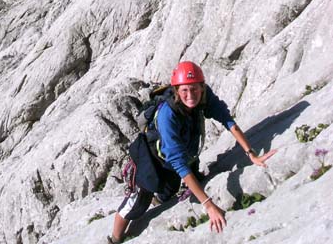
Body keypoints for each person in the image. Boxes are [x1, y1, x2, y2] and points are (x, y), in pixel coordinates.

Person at [108, 61, 277, 243]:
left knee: (168, 192)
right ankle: (115, 239)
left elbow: (227, 120)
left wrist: (251, 154)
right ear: (176, 91)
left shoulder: (204, 96)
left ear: (202, 87)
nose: (191, 96)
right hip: (151, 159)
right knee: (137, 203)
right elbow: (177, 162)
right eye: (185, 91)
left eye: (195, 89)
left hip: (181, 153)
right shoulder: (167, 114)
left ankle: (158, 199)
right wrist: (209, 205)